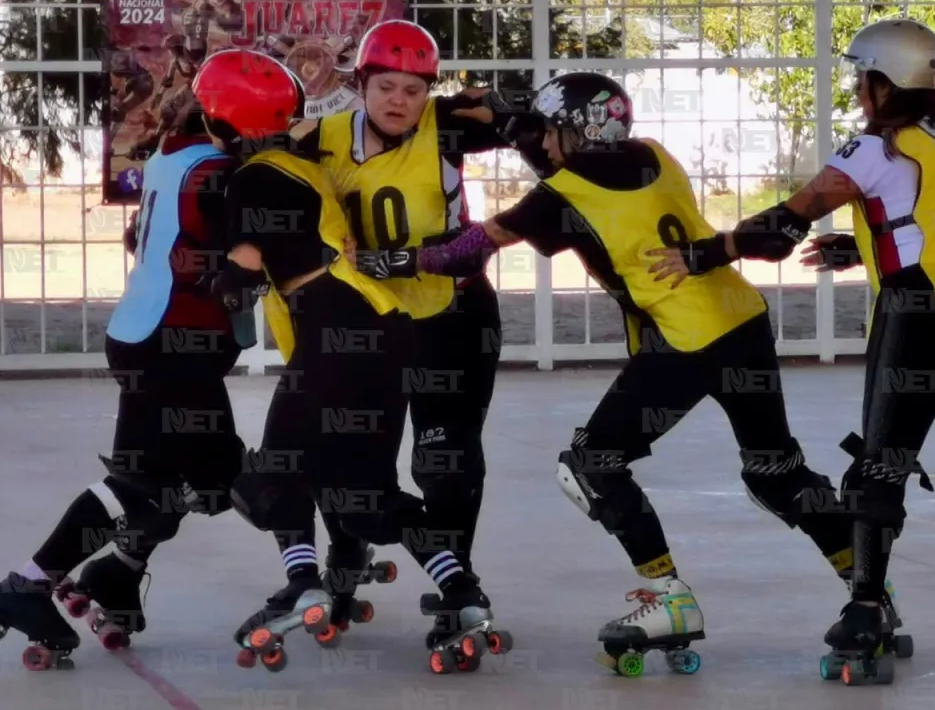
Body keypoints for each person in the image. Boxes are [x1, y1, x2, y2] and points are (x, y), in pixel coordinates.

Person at [354, 72, 863, 675]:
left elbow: (469, 249)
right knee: (777, 472)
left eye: (550, 132)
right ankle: (870, 588)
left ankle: (670, 598)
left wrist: (394, 260)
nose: (542, 143)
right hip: (742, 321)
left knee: (592, 464)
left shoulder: (563, 195)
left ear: (571, 132)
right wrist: (522, 124)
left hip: (685, 340)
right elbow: (572, 175)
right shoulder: (652, 153)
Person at [649, 18, 935, 683]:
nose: (857, 93)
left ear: (881, 81)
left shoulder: (876, 150)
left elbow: (785, 223)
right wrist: (856, 244)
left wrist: (704, 252)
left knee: (878, 470)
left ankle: (867, 609)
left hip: (920, 318)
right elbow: (930, 225)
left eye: (861, 79)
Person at [191, 48, 500, 668]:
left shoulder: (252, 176)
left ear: (220, 123)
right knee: (368, 492)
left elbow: (242, 274)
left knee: (268, 475)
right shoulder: (307, 168)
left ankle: (301, 583)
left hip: (334, 331)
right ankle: (463, 593)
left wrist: (208, 276)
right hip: (386, 326)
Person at [0, 105, 251, 670]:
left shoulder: (175, 155)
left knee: (164, 483)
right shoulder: (222, 172)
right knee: (209, 478)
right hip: (174, 342)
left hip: (146, 332)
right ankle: (34, 582)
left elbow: (145, 235)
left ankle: (113, 574)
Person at [292, 19, 515, 646]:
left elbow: (539, 129)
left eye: (414, 89)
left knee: (444, 458)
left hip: (453, 317)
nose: (400, 101)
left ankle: (456, 585)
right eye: (386, 86)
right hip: (366, 322)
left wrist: (500, 106)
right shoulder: (318, 138)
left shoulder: (445, 128)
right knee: (349, 456)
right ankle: (345, 559)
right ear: (360, 84)